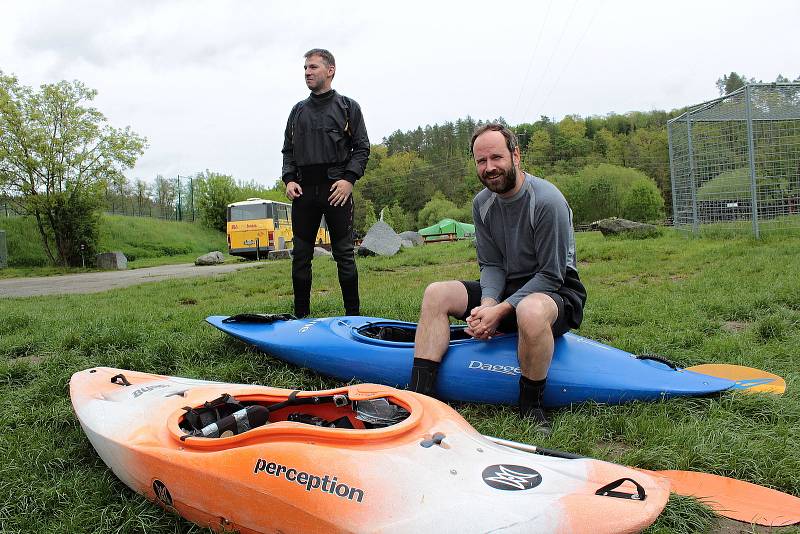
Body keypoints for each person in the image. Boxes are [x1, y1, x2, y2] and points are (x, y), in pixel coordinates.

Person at [409, 123, 586, 430]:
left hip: (556, 291)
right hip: (508, 287)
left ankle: (531, 405)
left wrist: (501, 311)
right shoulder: (482, 203)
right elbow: (491, 265)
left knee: (529, 311)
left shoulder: (547, 201)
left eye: (496, 157)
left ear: (515, 155)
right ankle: (421, 396)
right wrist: (489, 302)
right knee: (436, 292)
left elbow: (551, 273)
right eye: (481, 161)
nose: (489, 167)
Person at [282, 48, 370, 318]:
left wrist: (349, 179)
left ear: (330, 70)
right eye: (305, 68)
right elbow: (288, 150)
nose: (307, 72)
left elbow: (362, 147)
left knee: (344, 254)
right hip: (304, 193)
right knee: (301, 257)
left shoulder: (348, 107)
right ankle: (301, 318)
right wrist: (288, 179)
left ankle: (353, 318)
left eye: (313, 67)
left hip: (337, 191)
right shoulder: (297, 111)